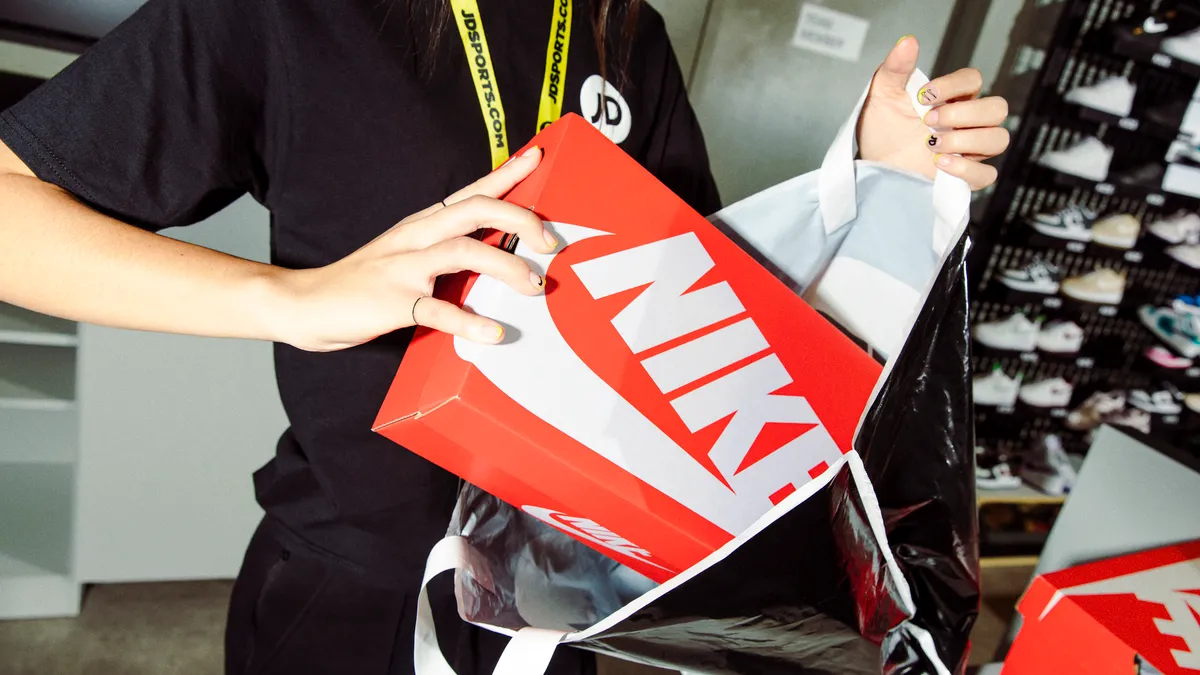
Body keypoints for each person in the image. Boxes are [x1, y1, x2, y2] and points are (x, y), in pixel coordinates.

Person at [0, 1, 1009, 673]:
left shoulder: (625, 31)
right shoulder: (289, 16)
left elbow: (702, 312)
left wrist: (868, 182)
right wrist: (295, 298)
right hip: (357, 589)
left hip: (567, 595)